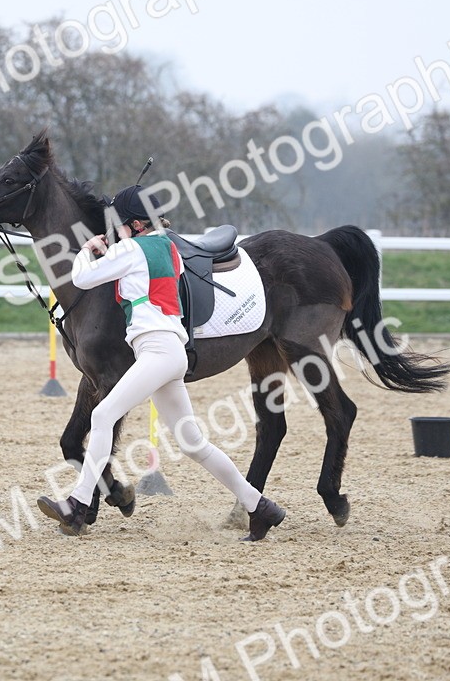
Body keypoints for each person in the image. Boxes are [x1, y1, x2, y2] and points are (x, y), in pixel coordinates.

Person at [37, 185, 287, 541]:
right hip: (171, 353)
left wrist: (88, 250)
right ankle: (260, 507)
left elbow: (80, 278)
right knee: (193, 442)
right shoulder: (169, 248)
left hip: (156, 351)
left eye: (121, 225)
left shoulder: (131, 248)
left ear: (136, 225)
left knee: (102, 415)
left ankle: (77, 505)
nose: (116, 231)